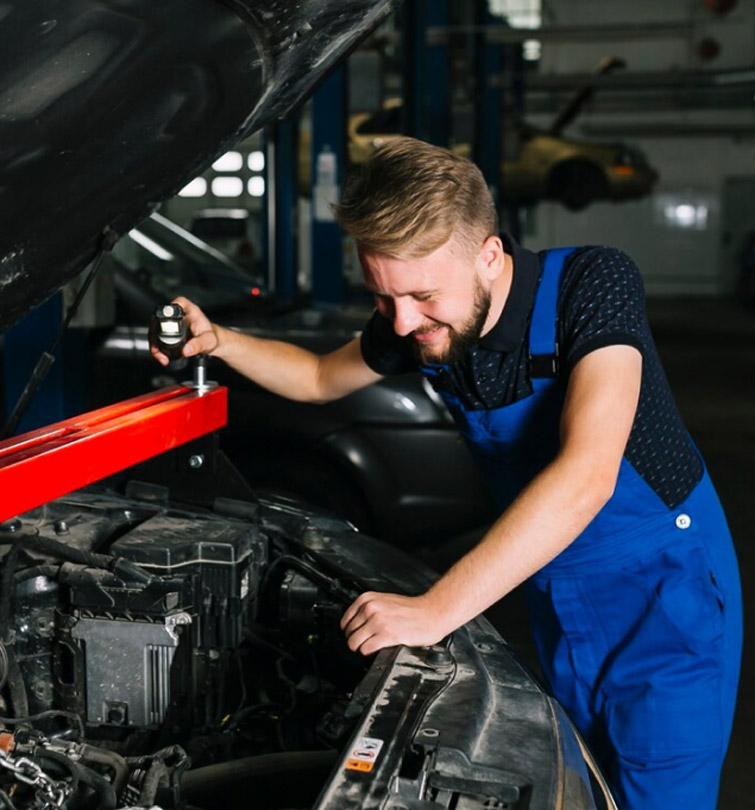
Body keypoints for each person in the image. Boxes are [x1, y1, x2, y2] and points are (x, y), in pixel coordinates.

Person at [152, 137, 742, 810]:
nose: (403, 321)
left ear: (489, 254)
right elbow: (318, 378)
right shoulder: (418, 318)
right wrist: (221, 340)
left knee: (658, 792)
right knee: (581, 785)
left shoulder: (591, 286)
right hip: (555, 587)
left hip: (663, 592)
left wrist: (435, 608)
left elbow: (586, 474)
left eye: (422, 295)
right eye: (383, 297)